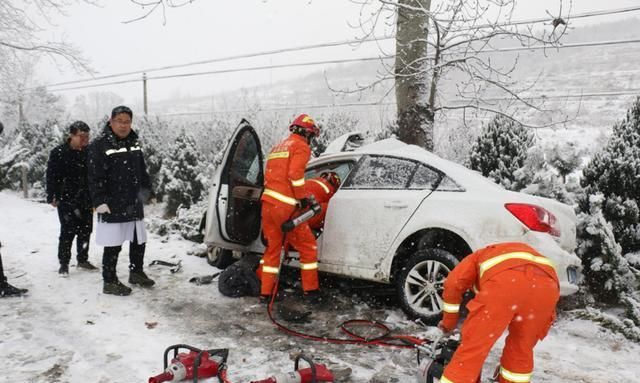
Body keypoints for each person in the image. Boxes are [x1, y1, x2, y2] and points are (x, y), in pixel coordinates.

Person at [427, 242, 560, 383]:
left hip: (504, 286)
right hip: (547, 289)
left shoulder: (475, 258)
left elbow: (453, 285)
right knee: (521, 350)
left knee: (471, 352)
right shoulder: (510, 252)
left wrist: (449, 323)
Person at [88, 105, 154, 296]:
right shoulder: (99, 145)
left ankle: (136, 272)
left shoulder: (134, 141)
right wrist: (99, 200)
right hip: (112, 202)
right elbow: (94, 176)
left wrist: (148, 191)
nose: (124, 126)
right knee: (113, 243)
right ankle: (109, 281)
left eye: (127, 122)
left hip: (133, 200)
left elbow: (142, 170)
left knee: (138, 239)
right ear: (111, 121)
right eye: (119, 121)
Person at [259, 113, 321, 304]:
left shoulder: (278, 147)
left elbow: (272, 175)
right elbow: (295, 174)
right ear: (307, 133)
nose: (311, 140)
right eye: (312, 135)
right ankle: (311, 292)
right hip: (286, 208)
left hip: (268, 205)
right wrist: (302, 199)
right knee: (308, 247)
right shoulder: (301, 147)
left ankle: (265, 293)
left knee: (273, 249)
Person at [46, 121, 97, 275]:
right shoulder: (59, 152)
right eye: (81, 136)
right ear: (72, 135)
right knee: (67, 231)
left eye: (87, 136)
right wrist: (52, 195)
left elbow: (95, 176)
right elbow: (51, 176)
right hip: (66, 197)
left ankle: (82, 259)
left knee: (86, 230)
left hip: (86, 198)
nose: (85, 140)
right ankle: (64, 263)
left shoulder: (89, 152)